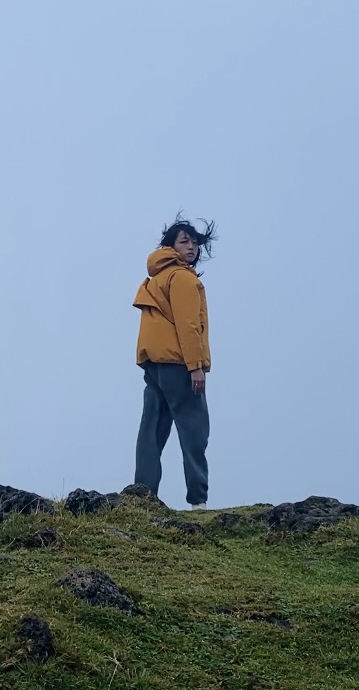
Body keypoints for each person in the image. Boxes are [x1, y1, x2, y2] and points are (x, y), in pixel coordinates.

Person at [131, 213, 217, 510]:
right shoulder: (181, 278)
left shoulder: (156, 277)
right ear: (171, 247)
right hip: (179, 365)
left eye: (194, 243)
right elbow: (188, 325)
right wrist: (196, 366)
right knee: (194, 429)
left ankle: (142, 497)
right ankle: (198, 501)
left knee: (151, 431)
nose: (191, 247)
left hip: (154, 365)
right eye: (184, 241)